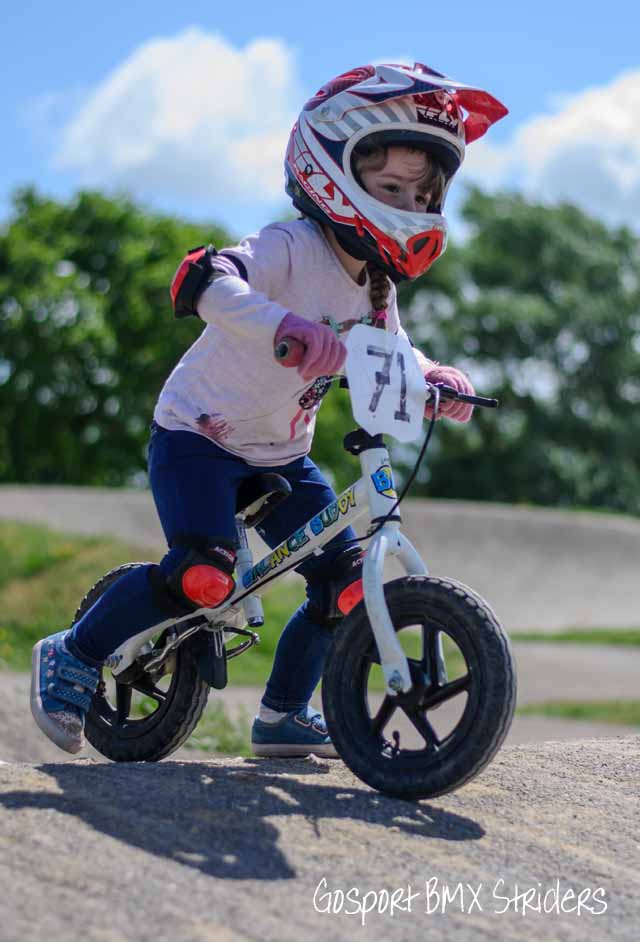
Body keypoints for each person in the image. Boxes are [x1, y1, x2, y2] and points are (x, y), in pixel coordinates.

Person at [30, 62, 508, 757]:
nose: (408, 203)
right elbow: (208, 279)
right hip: (197, 437)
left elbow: (394, 350)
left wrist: (434, 378)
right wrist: (284, 325)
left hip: (281, 455)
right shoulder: (292, 247)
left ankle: (283, 716)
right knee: (204, 574)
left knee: (344, 585)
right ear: (332, 170)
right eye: (391, 188)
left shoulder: (376, 285)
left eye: (421, 194)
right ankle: (73, 653)